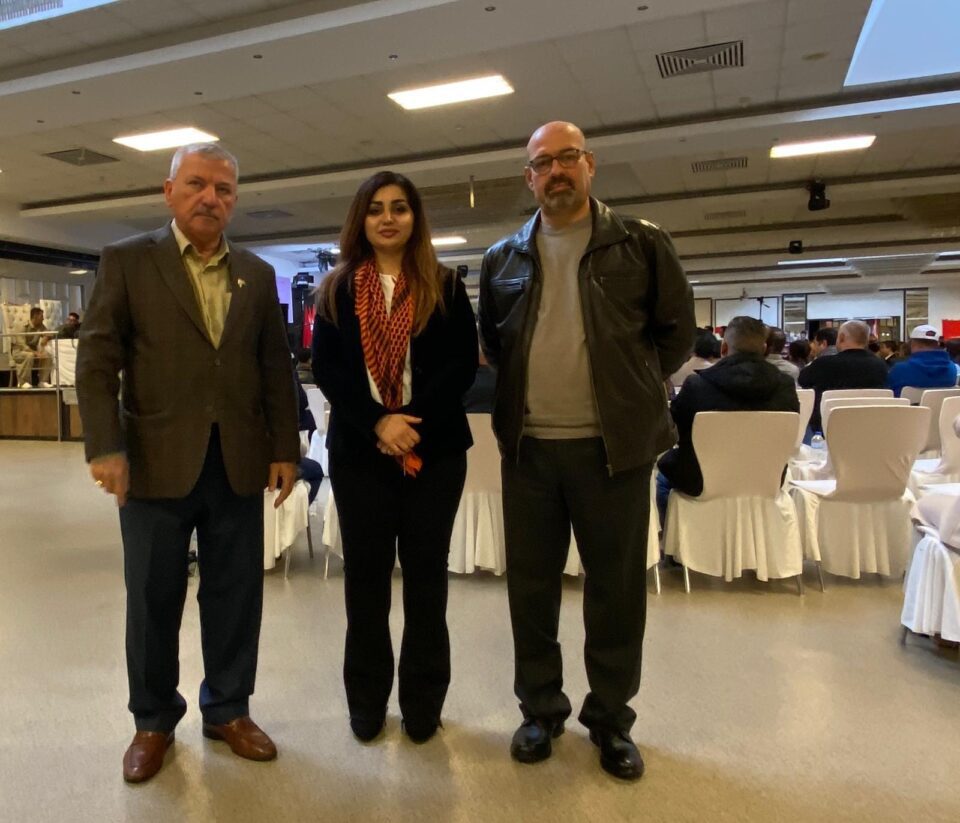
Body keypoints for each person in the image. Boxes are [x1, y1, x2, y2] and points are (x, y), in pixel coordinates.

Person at [76, 143, 300, 784]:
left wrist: (284, 448)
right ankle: (152, 720)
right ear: (169, 190)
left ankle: (228, 709)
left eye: (224, 189)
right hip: (152, 465)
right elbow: (97, 360)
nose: (211, 198)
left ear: (235, 200)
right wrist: (106, 447)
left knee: (236, 594)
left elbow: (273, 368)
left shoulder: (255, 273)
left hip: (237, 463)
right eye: (198, 184)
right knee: (152, 598)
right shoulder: (128, 261)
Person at [478, 121, 695, 781]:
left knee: (616, 591)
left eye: (567, 157)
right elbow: (496, 342)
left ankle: (610, 720)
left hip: (614, 450)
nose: (556, 171)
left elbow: (676, 335)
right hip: (530, 449)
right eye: (542, 162)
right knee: (531, 590)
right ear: (529, 178)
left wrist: (627, 390)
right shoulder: (502, 258)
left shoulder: (641, 243)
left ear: (590, 164)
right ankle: (540, 711)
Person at [312, 170, 478, 745]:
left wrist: (408, 423)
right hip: (361, 452)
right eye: (376, 208)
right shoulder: (336, 289)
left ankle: (423, 704)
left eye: (400, 207)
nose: (388, 218)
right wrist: (378, 422)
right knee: (366, 583)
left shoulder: (445, 284)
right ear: (360, 220)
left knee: (427, 582)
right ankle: (366, 702)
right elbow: (328, 370)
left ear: (415, 217)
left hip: (435, 451)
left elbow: (461, 365)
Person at [656, 316, 799, 524]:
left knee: (663, 478)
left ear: (724, 348)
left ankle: (671, 536)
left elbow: (675, 428)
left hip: (701, 482)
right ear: (764, 348)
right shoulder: (785, 386)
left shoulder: (697, 385)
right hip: (767, 479)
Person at [798, 319, 889, 435]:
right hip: (869, 426)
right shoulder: (881, 366)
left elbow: (802, 380)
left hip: (827, 427)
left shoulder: (823, 364)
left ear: (841, 338)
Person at [888, 324, 960, 397]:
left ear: (912, 344)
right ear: (937, 344)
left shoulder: (899, 369)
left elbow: (888, 394)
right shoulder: (953, 368)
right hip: (942, 404)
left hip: (908, 404)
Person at [11, 306, 53, 388]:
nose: (43, 318)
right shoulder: (22, 326)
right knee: (29, 355)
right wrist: (36, 353)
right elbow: (23, 346)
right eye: (41, 316)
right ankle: (23, 382)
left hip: (33, 351)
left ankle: (43, 381)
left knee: (47, 356)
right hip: (19, 352)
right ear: (35, 317)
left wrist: (46, 337)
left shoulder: (40, 326)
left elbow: (49, 333)